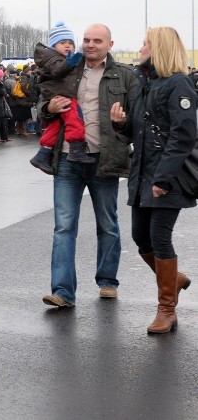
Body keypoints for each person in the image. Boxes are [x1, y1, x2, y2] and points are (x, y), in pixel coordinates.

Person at [39, 23, 138, 308]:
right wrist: (48, 108)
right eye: (86, 40)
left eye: (97, 40)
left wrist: (124, 122)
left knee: (107, 224)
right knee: (63, 227)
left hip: (103, 159)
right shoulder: (66, 69)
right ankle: (62, 292)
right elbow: (40, 107)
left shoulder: (124, 76)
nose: (90, 44)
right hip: (68, 159)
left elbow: (137, 123)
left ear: (110, 44)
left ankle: (107, 281)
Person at [110, 26, 196, 333]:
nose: (141, 47)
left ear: (158, 47)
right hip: (142, 173)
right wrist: (120, 125)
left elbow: (183, 136)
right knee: (139, 237)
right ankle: (175, 279)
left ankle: (166, 309)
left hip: (167, 176)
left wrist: (163, 178)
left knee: (160, 237)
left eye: (146, 43)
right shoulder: (143, 84)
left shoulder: (179, 84)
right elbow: (139, 131)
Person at [30, 22, 95, 174]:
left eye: (71, 43)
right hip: (61, 95)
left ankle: (43, 154)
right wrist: (70, 63)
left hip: (57, 94)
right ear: (53, 45)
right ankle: (76, 148)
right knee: (75, 118)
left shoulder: (56, 58)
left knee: (55, 125)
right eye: (62, 42)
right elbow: (59, 71)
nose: (68, 46)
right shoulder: (53, 58)